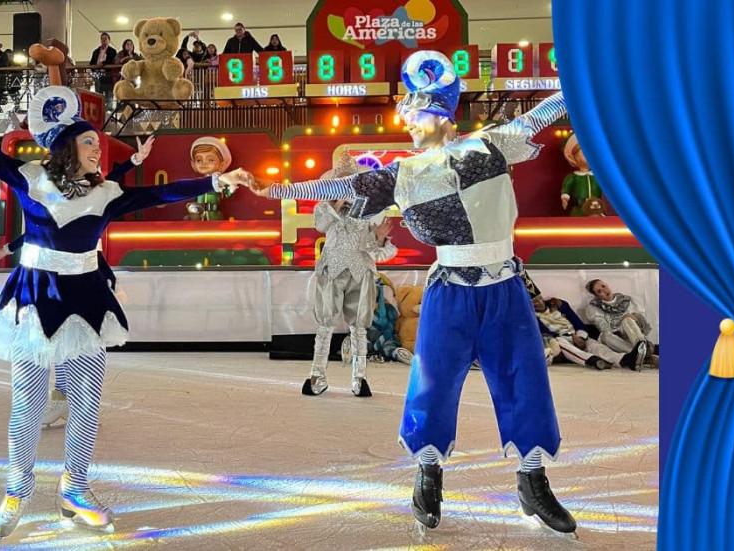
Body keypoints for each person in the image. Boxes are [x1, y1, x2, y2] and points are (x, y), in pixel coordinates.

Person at [243, 51, 577, 535]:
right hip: (449, 290)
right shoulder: (401, 174)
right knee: (433, 382)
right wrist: (267, 191)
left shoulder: (491, 145)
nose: (409, 123)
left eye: (415, 113)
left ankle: (533, 480)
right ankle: (428, 474)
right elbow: (323, 187)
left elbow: (544, 113)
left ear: (441, 114)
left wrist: (586, 81)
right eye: (407, 114)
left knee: (525, 379)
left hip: (503, 284)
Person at [0, 84, 247, 539]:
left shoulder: (106, 192)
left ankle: (75, 488)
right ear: (68, 146)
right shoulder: (30, 178)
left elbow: (160, 196)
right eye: (90, 143)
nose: (98, 150)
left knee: (86, 403)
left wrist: (217, 181)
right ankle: (15, 489)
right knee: (28, 404)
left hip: (88, 299)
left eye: (98, 145)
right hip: (36, 299)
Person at [304, 198, 397, 398]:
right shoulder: (324, 208)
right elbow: (321, 226)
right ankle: (316, 374)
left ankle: (359, 378)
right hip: (332, 270)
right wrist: (335, 205)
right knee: (325, 323)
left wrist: (379, 238)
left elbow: (376, 252)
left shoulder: (371, 210)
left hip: (361, 272)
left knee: (359, 326)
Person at [533, 294, 648, 371]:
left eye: (539, 299)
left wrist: (581, 337)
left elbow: (578, 323)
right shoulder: (532, 316)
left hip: (577, 334)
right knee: (560, 342)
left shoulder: (559, 306)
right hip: (560, 339)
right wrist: (571, 337)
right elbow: (546, 333)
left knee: (595, 345)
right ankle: (591, 360)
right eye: (533, 302)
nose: (538, 303)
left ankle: (624, 360)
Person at [585, 279, 659, 362]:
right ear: (597, 296)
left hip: (632, 335)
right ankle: (645, 355)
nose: (604, 291)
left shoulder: (626, 300)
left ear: (607, 284)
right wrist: (618, 329)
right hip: (617, 340)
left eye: (603, 286)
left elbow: (642, 323)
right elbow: (604, 328)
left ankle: (642, 351)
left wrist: (633, 317)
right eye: (599, 291)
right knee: (605, 336)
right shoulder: (595, 308)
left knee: (627, 320)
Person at [89, 32, 118, 103]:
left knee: (109, 94)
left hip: (108, 74)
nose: (103, 40)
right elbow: (92, 63)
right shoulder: (96, 51)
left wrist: (103, 64)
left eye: (105, 39)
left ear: (109, 40)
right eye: (102, 39)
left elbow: (112, 61)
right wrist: (95, 69)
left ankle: (109, 110)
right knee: (98, 93)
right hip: (98, 74)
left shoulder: (112, 51)